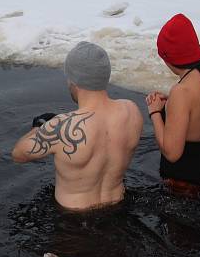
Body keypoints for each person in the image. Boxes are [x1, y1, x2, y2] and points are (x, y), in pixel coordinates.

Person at [11, 41, 143, 211]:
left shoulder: (61, 126)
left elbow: (18, 154)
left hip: (73, 219)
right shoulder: (131, 111)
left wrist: (39, 127)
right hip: (119, 207)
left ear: (73, 81)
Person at [145, 14, 200, 197]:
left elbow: (172, 153)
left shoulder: (181, 92)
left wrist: (155, 112)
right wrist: (172, 106)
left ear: (168, 57)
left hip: (181, 183)